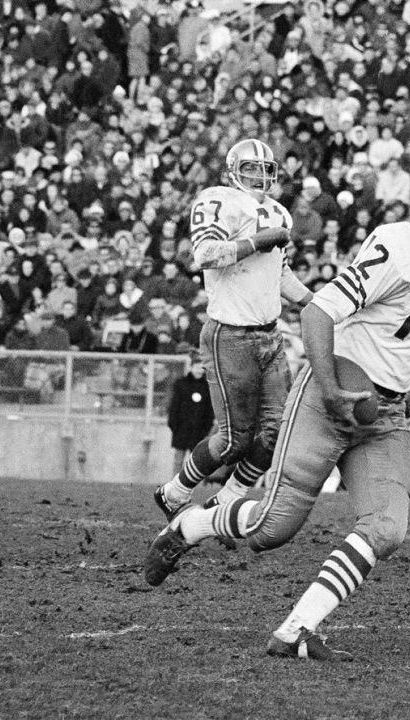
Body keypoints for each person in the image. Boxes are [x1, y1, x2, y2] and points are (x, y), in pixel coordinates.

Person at [142, 177, 410, 662]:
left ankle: (296, 629)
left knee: (388, 529)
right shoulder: (396, 247)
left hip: (386, 411)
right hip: (333, 388)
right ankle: (188, 528)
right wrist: (330, 390)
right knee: (272, 529)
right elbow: (318, 315)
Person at [151, 138, 314, 524]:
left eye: (264, 169)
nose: (258, 176)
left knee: (277, 433)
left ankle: (226, 500)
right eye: (250, 169)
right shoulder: (217, 199)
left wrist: (314, 303)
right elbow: (205, 255)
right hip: (231, 335)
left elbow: (280, 273)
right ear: (232, 172)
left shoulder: (280, 213)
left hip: (270, 336)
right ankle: (174, 493)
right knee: (233, 439)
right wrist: (257, 241)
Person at [166, 351, 215, 477]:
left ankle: (190, 486)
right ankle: (174, 485)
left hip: (199, 431)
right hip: (181, 429)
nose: (199, 371)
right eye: (196, 368)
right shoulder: (181, 384)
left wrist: (206, 429)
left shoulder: (207, 386)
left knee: (195, 462)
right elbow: (174, 407)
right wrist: (174, 426)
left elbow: (210, 410)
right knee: (178, 460)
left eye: (202, 368)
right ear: (191, 367)